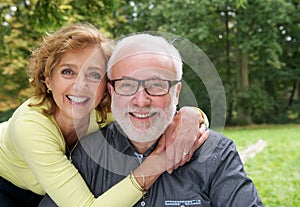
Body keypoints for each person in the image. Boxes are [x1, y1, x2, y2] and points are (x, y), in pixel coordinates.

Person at [40, 33, 263, 206]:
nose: (141, 100)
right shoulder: (87, 153)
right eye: (127, 85)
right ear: (112, 90)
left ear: (176, 93)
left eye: (156, 85)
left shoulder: (216, 154)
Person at [0, 23, 209, 207]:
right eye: (68, 72)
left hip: (51, 189)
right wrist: (156, 164)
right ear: (48, 80)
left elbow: (155, 112)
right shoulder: (30, 126)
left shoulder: (102, 109)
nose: (81, 85)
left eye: (93, 74)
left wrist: (193, 115)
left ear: (106, 85)